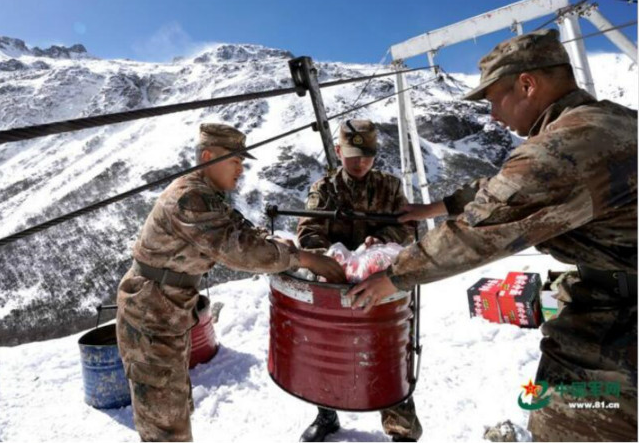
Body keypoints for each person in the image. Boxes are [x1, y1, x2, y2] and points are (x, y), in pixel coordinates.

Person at [348, 29, 637, 442]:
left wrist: (393, 275)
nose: (491, 114)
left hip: (624, 321)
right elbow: (505, 186)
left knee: (571, 420)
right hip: (617, 294)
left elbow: (479, 230)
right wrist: (433, 208)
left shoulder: (562, 149)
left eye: (492, 99)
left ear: (527, 84)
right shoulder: (609, 120)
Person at [116, 123, 345, 442]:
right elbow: (240, 251)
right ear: (208, 157)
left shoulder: (209, 196)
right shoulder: (189, 198)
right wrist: (303, 259)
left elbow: (243, 231)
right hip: (151, 311)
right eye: (235, 160)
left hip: (167, 308)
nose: (240, 168)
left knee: (173, 403)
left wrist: (281, 244)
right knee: (163, 420)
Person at [296, 119, 422, 442]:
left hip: (381, 286)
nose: (360, 162)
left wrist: (380, 240)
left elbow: (407, 226)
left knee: (386, 354)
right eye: (353, 155)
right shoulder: (324, 190)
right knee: (327, 351)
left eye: (367, 155)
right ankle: (327, 414)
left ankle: (401, 428)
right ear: (339, 151)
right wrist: (331, 260)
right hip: (334, 285)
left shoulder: (390, 187)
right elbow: (308, 232)